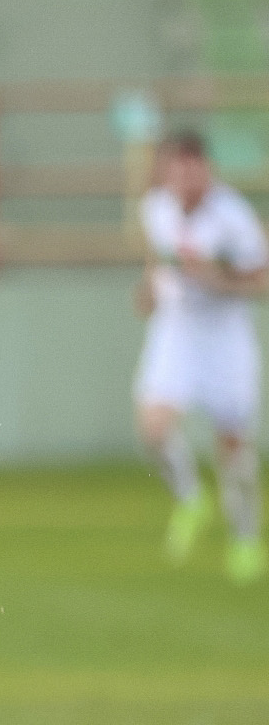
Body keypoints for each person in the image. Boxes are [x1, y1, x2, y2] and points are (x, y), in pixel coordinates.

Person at [134, 128, 269, 584]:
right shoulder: (156, 208)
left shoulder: (233, 218)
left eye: (195, 172)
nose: (187, 181)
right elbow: (158, 261)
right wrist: (149, 290)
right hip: (176, 332)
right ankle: (191, 499)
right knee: (153, 429)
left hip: (224, 337)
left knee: (234, 446)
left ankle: (246, 537)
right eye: (178, 173)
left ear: (207, 170)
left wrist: (215, 279)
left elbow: (261, 280)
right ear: (167, 174)